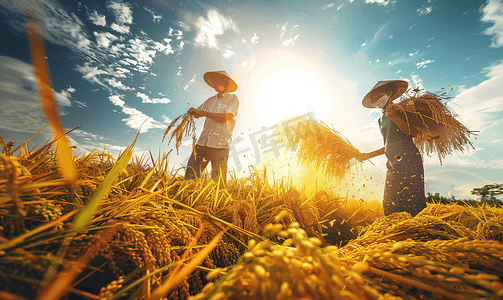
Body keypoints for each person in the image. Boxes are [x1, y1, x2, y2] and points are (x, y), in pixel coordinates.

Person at [358, 80, 426, 217]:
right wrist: (368, 155)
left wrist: (395, 117)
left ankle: (419, 233)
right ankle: (398, 233)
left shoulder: (401, 109)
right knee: (390, 203)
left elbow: (413, 133)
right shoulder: (380, 119)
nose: (376, 101)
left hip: (408, 159)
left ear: (389, 93)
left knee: (410, 202)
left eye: (377, 97)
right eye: (374, 100)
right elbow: (389, 143)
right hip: (393, 160)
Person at [184, 70, 239, 182]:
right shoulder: (210, 101)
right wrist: (193, 112)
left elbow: (227, 117)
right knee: (190, 179)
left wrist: (202, 113)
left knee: (218, 184)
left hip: (221, 146)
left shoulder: (232, 98)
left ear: (225, 81)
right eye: (213, 79)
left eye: (215, 78)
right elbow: (198, 113)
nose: (213, 81)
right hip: (202, 144)